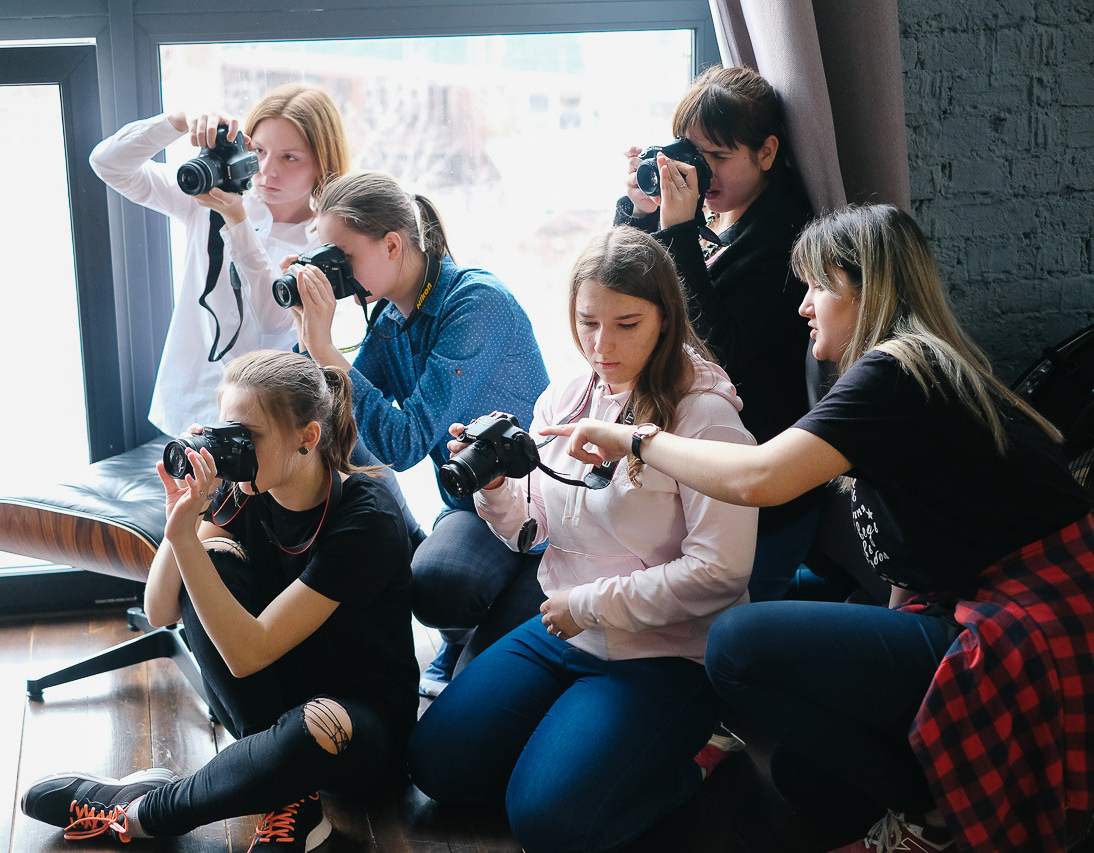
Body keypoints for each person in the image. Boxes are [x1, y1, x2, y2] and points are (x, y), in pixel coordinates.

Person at [546, 205, 1094, 853]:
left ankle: (931, 817)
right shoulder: (911, 369)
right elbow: (906, 558)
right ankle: (927, 790)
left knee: (737, 641)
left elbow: (757, 479)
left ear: (869, 290)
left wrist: (635, 439)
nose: (805, 306)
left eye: (819, 287)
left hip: (1027, 631)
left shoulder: (896, 372)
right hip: (997, 608)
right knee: (808, 777)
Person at [406, 227, 758, 853]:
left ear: (665, 318)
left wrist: (590, 604)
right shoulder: (569, 395)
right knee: (437, 765)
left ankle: (689, 765)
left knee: (547, 823)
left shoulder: (706, 419)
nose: (603, 345)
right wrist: (491, 485)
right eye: (588, 323)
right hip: (564, 629)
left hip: (663, 653)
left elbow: (721, 572)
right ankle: (580, 746)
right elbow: (530, 530)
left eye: (626, 324)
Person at [20, 350, 419, 852]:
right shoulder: (244, 489)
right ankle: (290, 801)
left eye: (247, 437)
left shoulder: (366, 516)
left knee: (312, 723)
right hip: (269, 707)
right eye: (226, 431)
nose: (233, 451)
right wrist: (180, 522)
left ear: (307, 437)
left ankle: (138, 811)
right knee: (211, 558)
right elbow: (161, 611)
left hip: (355, 726)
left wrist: (188, 540)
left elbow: (248, 653)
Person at [91, 83, 422, 543]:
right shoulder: (210, 195)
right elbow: (107, 163)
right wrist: (180, 120)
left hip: (268, 429)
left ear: (322, 164)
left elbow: (273, 317)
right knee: (212, 540)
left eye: (291, 158)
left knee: (333, 504)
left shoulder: (328, 241)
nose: (268, 171)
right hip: (193, 403)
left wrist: (238, 223)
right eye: (259, 150)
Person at [290, 170, 549, 695]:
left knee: (474, 681)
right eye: (325, 257)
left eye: (341, 257)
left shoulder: (477, 304)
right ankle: (470, 627)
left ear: (392, 245)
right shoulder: (391, 317)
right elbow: (332, 414)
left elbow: (403, 443)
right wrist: (305, 328)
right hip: (471, 505)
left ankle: (514, 601)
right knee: (429, 583)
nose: (333, 271)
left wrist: (326, 350)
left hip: (543, 510)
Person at [616, 64, 819, 602]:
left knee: (714, 628)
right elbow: (628, 300)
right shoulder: (719, 214)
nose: (703, 176)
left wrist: (679, 233)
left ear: (768, 152)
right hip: (689, 457)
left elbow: (717, 350)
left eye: (719, 158)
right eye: (693, 156)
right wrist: (640, 215)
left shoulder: (788, 237)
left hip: (752, 480)